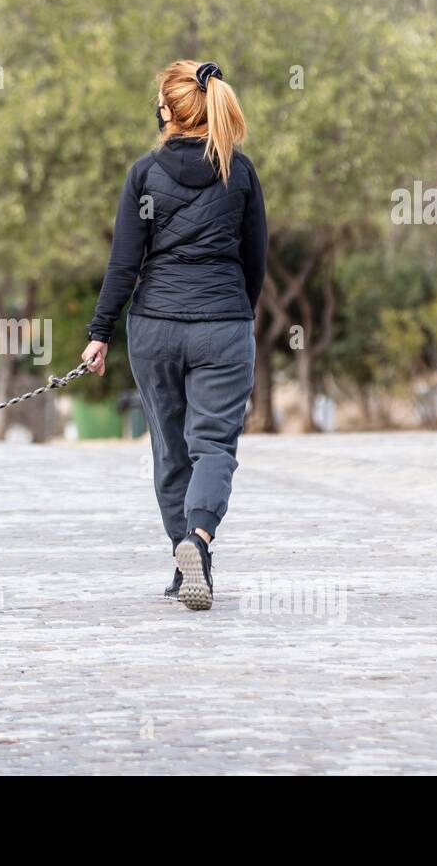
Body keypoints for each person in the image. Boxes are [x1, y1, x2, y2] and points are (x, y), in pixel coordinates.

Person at [81, 60, 267, 612]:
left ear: (167, 110)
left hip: (154, 327)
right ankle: (199, 542)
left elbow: (123, 264)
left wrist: (99, 334)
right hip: (223, 326)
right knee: (213, 445)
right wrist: (237, 313)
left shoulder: (144, 174)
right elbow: (254, 258)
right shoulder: (241, 172)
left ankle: (183, 560)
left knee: (169, 448)